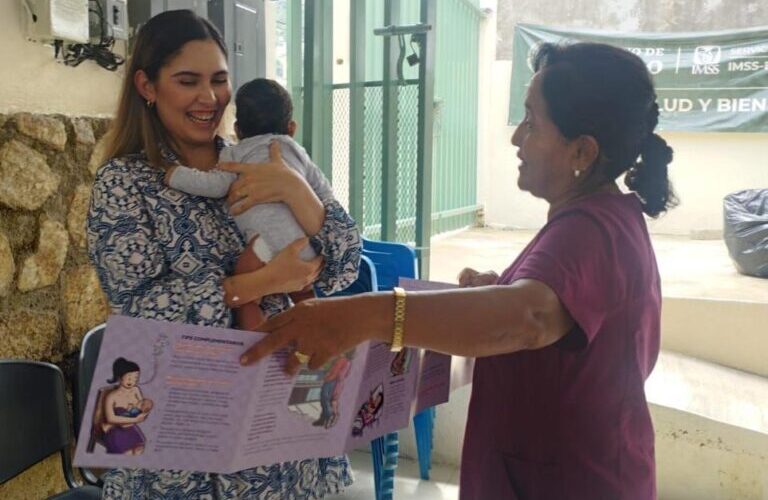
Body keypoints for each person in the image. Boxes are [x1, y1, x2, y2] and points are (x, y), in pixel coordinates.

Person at [241, 42, 677, 499]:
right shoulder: (601, 220)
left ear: (582, 151)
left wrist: (367, 316)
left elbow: (529, 317)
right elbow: (552, 313)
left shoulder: (590, 228)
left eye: (531, 121)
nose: (516, 139)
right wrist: (499, 288)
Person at [87, 9, 360, 499]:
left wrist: (298, 193)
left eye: (219, 80)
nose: (209, 98)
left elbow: (342, 267)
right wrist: (257, 285)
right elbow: (140, 315)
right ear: (147, 86)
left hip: (284, 436)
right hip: (184, 449)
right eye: (188, 81)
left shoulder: (261, 157)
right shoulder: (125, 184)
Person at [164, 78, 324, 330]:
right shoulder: (296, 151)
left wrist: (176, 174)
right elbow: (323, 192)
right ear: (291, 128)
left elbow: (216, 186)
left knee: (247, 294)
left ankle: (254, 340)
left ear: (237, 130)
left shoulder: (236, 153)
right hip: (305, 243)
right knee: (305, 295)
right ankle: (318, 339)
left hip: (266, 243)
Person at [101, 358, 151, 455]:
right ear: (120, 377)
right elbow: (111, 419)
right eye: (129, 377)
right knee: (127, 454)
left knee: (139, 450)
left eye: (135, 378)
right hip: (115, 432)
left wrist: (142, 411)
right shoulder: (111, 397)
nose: (131, 381)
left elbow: (142, 406)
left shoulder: (136, 390)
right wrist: (136, 420)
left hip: (130, 428)